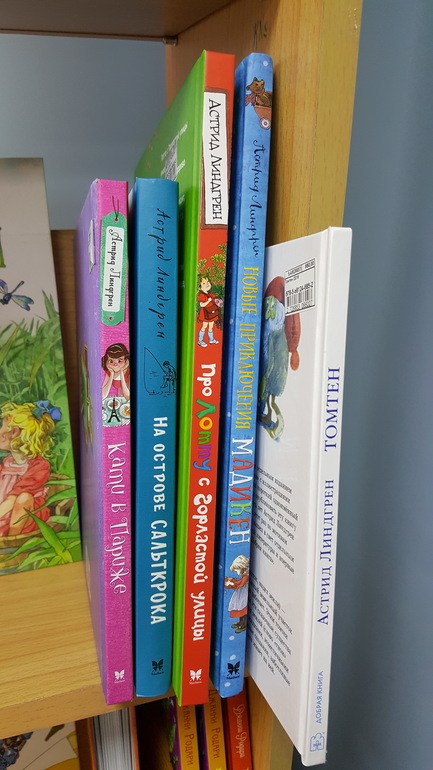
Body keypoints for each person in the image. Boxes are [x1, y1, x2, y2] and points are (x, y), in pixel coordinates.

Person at [0, 400, 61, 537]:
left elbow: (12, 500)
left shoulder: (39, 466)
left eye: (2, 427)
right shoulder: (7, 462)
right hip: (6, 513)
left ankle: (12, 539)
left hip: (27, 517)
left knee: (24, 498)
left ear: (14, 432)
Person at [224, 554, 250, 633]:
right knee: (240, 608)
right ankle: (240, 623)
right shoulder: (244, 576)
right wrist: (231, 582)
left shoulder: (246, 576)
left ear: (242, 567)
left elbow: (240, 584)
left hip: (243, 595)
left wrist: (232, 583)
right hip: (240, 594)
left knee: (243, 608)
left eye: (237, 570)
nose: (237, 572)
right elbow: (239, 583)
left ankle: (243, 624)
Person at [197, 276, 222, 347]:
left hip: (212, 312)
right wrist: (208, 301)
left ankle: (211, 339)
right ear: (200, 287)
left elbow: (215, 300)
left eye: (208, 282)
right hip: (205, 313)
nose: (207, 284)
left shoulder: (210, 294)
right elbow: (201, 305)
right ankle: (200, 340)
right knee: (204, 326)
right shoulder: (201, 295)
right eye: (204, 283)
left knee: (211, 326)